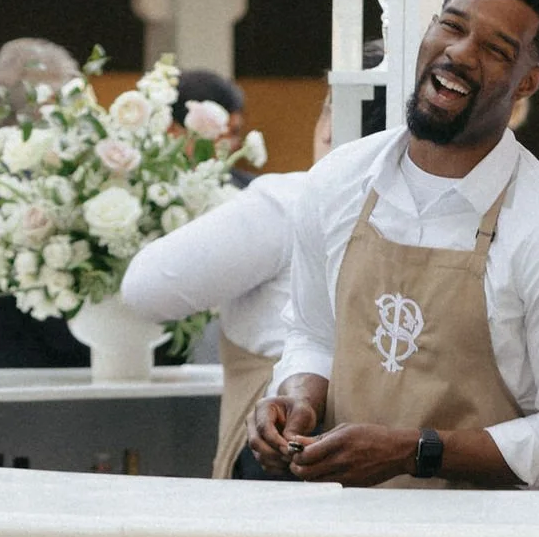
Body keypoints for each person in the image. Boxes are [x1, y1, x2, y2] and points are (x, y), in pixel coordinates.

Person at [251, 0, 539, 489]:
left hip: (485, 536)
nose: (461, 53)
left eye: (496, 50)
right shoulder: (337, 182)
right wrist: (298, 398)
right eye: (452, 25)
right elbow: (312, 332)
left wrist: (415, 452)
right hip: (339, 525)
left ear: (527, 82)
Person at [120, 52, 380, 480]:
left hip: (287, 440)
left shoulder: (290, 201)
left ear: (331, 123)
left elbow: (144, 289)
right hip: (399, 450)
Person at [0, 36, 86, 368]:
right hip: (50, 388)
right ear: (49, 109)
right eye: (78, 105)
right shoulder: (49, 203)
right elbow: (68, 337)